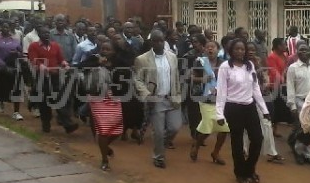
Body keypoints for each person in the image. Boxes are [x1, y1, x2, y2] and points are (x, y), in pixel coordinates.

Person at [216, 38, 270, 183]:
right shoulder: (225, 67)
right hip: (233, 108)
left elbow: (255, 88)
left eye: (242, 49)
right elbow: (221, 91)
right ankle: (240, 172)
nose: (240, 51)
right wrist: (219, 114)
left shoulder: (250, 65)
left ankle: (250, 169)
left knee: (258, 138)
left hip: (249, 106)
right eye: (237, 49)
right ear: (231, 51)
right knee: (237, 142)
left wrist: (264, 109)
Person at [134, 30, 182, 169]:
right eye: (155, 41)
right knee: (159, 131)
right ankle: (159, 157)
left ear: (164, 40)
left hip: (171, 98)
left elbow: (176, 77)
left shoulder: (172, 57)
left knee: (175, 127)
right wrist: (147, 95)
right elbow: (137, 80)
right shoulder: (142, 59)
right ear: (151, 42)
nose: (159, 43)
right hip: (155, 99)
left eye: (161, 40)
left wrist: (178, 93)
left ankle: (160, 143)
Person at [27, 26, 78, 134]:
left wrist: (65, 64)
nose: (46, 35)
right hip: (42, 77)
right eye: (43, 33)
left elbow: (61, 59)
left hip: (55, 76)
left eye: (47, 33)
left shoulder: (55, 46)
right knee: (45, 102)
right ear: (39, 35)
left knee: (58, 98)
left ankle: (67, 124)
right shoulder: (34, 46)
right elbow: (34, 60)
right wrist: (41, 66)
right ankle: (46, 123)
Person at [83, 40, 123, 171]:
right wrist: (97, 63)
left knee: (118, 129)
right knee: (103, 129)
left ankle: (105, 147)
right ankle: (104, 159)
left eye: (108, 49)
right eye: (103, 48)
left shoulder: (118, 62)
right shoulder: (94, 58)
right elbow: (80, 66)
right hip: (97, 97)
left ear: (114, 51)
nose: (104, 51)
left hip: (113, 97)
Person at [190, 40, 229, 164]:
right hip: (205, 98)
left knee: (224, 129)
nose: (210, 49)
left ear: (218, 50)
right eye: (208, 47)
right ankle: (196, 145)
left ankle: (215, 153)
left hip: (220, 99)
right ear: (204, 50)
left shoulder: (224, 63)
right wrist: (202, 79)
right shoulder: (200, 62)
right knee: (208, 124)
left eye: (213, 47)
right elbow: (191, 77)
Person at [246, 41, 282, 164]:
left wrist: (265, 85)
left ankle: (272, 152)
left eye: (253, 50)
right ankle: (244, 150)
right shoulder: (239, 65)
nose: (251, 52)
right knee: (246, 127)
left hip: (260, 98)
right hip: (244, 100)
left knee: (266, 123)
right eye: (248, 50)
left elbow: (263, 80)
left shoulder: (258, 63)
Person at [286, 43, 310, 165]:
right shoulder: (293, 68)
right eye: (301, 50)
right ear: (297, 52)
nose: (303, 52)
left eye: (306, 50)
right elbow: (290, 87)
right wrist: (292, 106)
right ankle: (299, 153)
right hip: (300, 102)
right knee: (302, 129)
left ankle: (309, 154)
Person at [0, 20, 24, 120]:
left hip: (14, 68)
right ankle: (1, 100)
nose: (6, 29)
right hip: (1, 68)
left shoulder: (15, 40)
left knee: (16, 89)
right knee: (2, 88)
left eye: (8, 27)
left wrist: (16, 53)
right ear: (0, 28)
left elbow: (21, 53)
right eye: (3, 27)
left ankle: (16, 112)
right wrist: (2, 64)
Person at [267, 37, 290, 137]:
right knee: (274, 108)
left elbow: (286, 68)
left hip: (283, 85)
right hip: (274, 86)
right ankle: (271, 129)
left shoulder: (285, 56)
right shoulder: (272, 57)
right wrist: (282, 79)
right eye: (283, 44)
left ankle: (274, 129)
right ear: (278, 46)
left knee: (280, 108)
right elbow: (273, 71)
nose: (286, 46)